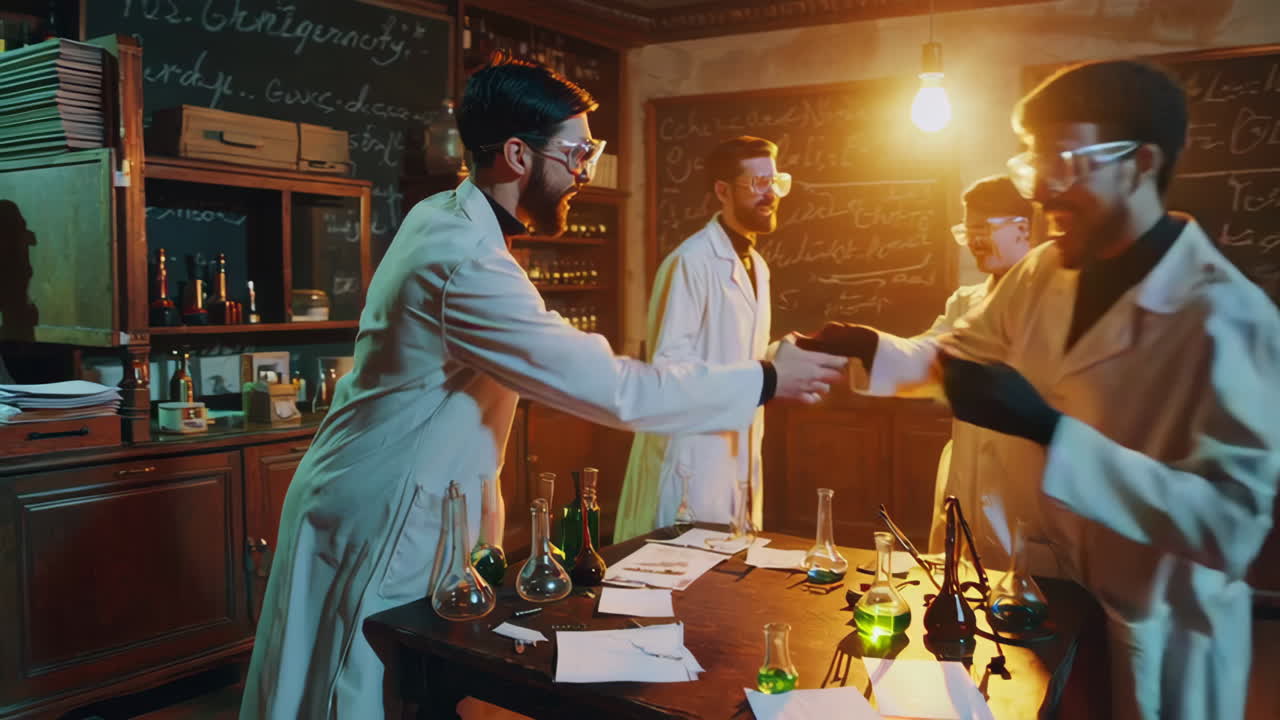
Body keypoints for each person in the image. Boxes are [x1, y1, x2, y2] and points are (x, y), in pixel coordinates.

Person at [238, 55, 846, 719]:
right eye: (577, 150)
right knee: (356, 694)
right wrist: (764, 378)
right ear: (517, 156)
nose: (585, 167)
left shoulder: (450, 220)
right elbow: (614, 389)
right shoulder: (465, 258)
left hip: (402, 500)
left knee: (396, 689)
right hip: (385, 509)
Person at [801, 60, 1280, 719]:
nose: (1045, 187)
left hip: (1166, 633)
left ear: (1141, 164)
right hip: (1052, 592)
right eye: (1035, 159)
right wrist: (873, 348)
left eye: (1068, 158)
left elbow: (1227, 528)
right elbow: (956, 354)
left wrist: (1052, 432)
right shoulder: (1044, 269)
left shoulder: (1232, 320)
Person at [614, 136, 791, 542]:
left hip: (736, 453)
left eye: (775, 182)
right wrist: (756, 376)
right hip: (691, 458)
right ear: (723, 191)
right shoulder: (690, 262)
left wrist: (782, 358)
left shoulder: (756, 266)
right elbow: (668, 370)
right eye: (757, 184)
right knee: (677, 581)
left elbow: (734, 352)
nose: (771, 195)